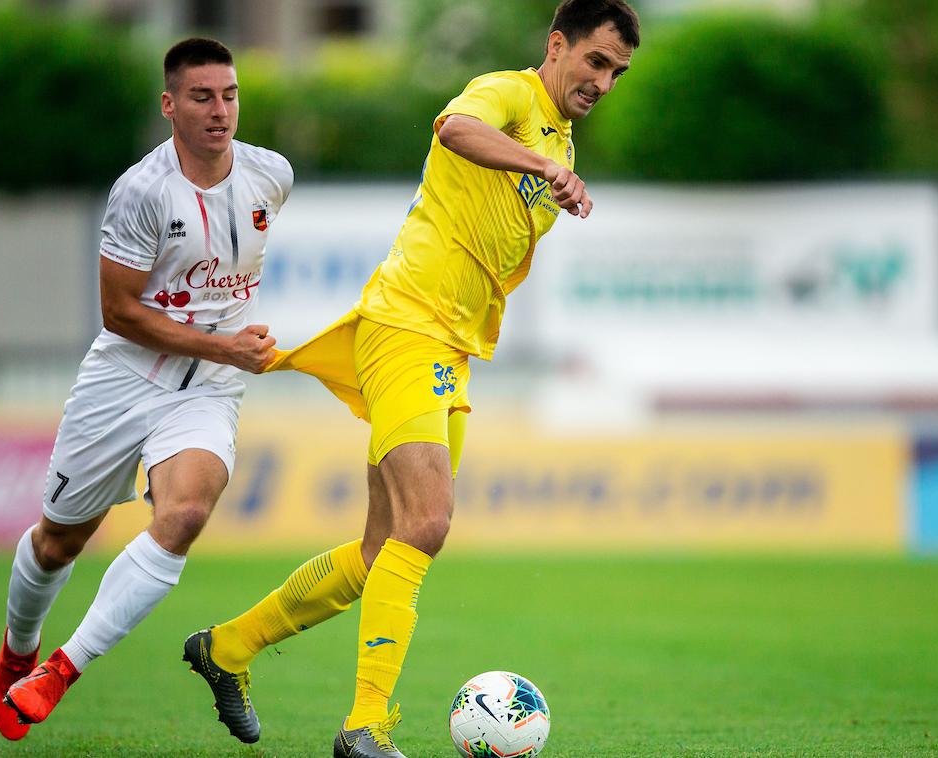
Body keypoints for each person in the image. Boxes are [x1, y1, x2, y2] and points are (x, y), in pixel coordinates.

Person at [179, 2, 641, 756]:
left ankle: (226, 648)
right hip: (408, 328)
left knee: (379, 549)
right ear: (557, 46)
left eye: (616, 72)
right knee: (427, 524)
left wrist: (555, 176)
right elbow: (453, 127)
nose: (603, 81)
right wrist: (542, 167)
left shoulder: (560, 141)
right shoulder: (510, 94)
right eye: (594, 61)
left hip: (447, 349)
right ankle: (365, 726)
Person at [0, 37, 292, 741]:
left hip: (208, 389)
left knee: (185, 512)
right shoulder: (142, 191)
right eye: (202, 97)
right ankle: (19, 648)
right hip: (122, 381)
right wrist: (225, 343)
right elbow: (120, 312)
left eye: (230, 94)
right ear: (169, 106)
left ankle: (60, 671)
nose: (220, 111)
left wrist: (225, 351)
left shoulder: (271, 175)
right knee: (59, 542)